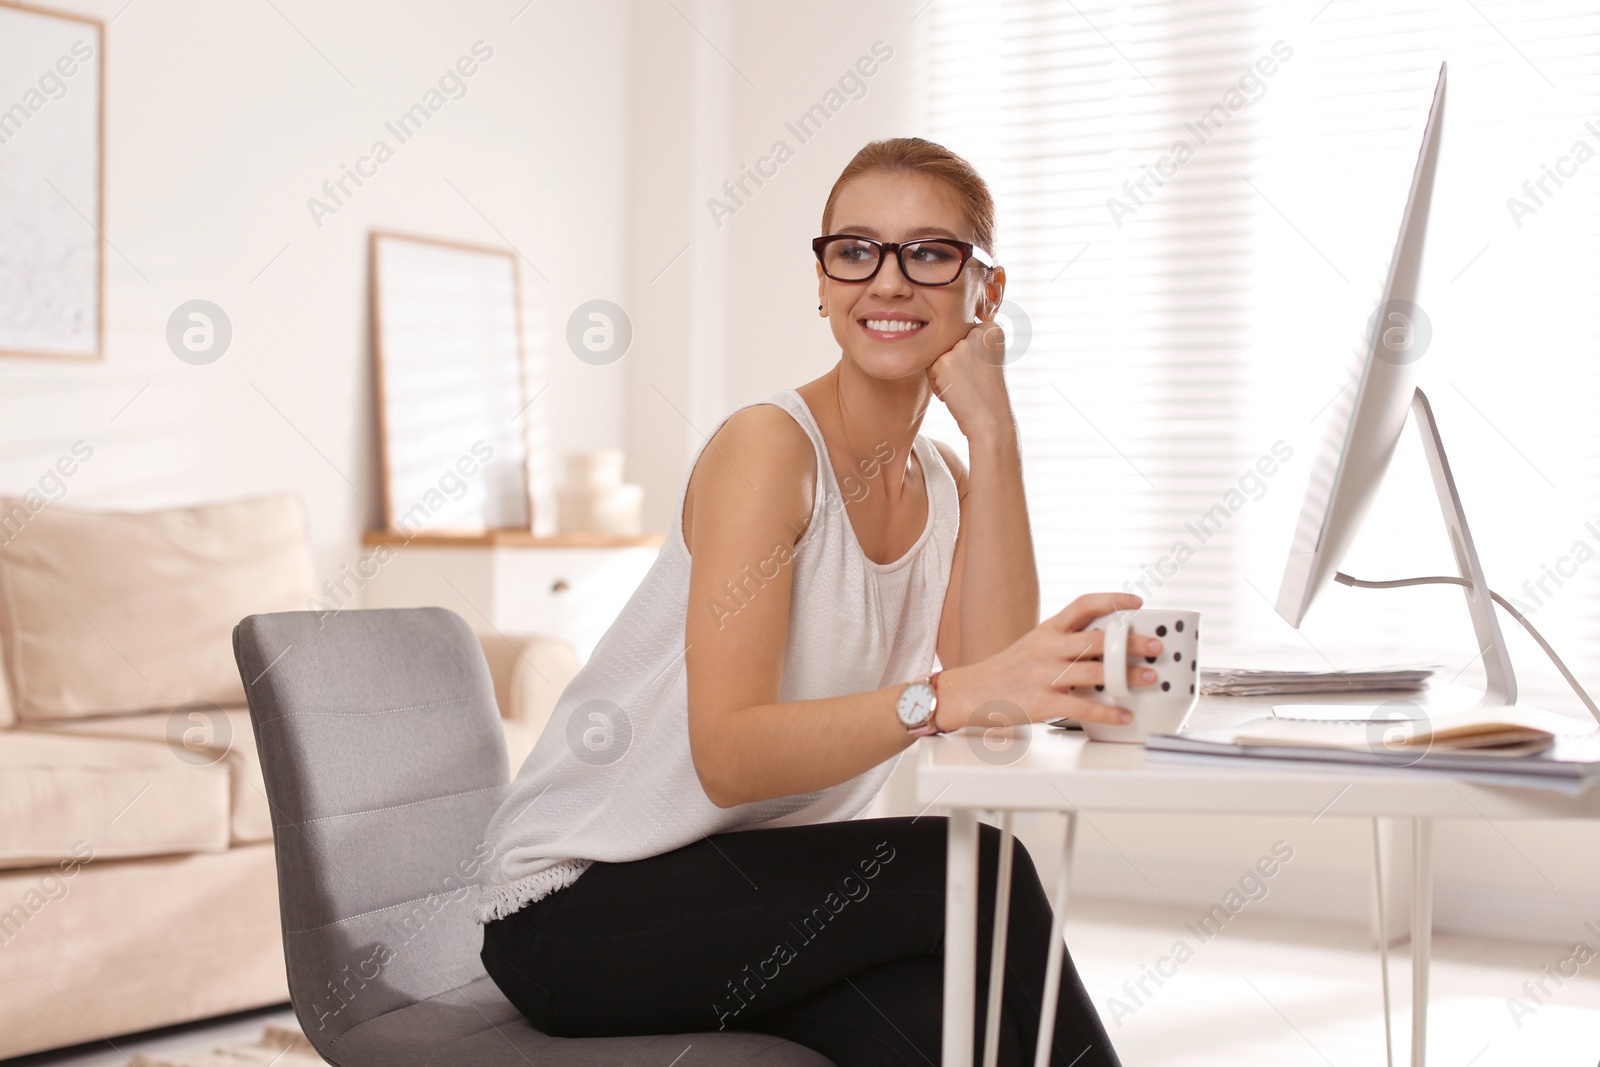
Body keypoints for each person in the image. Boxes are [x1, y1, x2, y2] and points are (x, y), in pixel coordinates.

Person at [475, 136, 1162, 1066]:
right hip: (578, 908)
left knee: (948, 1031)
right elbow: (729, 755)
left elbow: (989, 714)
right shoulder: (770, 449)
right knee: (975, 873)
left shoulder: (949, 481)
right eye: (855, 250)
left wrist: (995, 437)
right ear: (825, 279)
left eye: (929, 253)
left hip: (744, 898)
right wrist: (946, 697)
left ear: (986, 293)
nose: (887, 281)